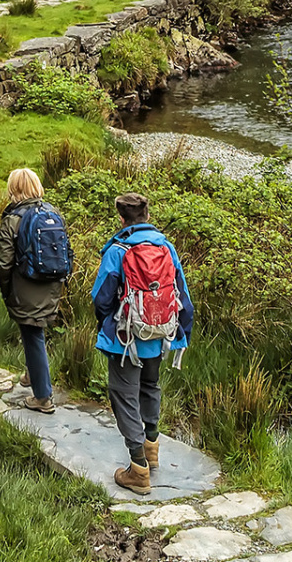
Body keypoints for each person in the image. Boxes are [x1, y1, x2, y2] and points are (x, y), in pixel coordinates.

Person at [90, 192, 192, 496]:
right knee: (150, 386)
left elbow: (101, 298)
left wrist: (108, 325)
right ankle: (151, 448)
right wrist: (181, 333)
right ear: (147, 216)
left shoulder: (118, 250)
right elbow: (183, 296)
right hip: (160, 335)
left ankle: (138, 470)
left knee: (124, 395)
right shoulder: (166, 247)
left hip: (126, 339)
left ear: (122, 218)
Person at [0, 168, 63, 414]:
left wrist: (6, 290)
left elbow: (4, 262)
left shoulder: (13, 219)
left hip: (25, 284)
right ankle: (31, 375)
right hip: (52, 284)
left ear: (14, 189)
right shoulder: (53, 213)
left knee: (33, 335)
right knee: (33, 331)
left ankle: (43, 398)